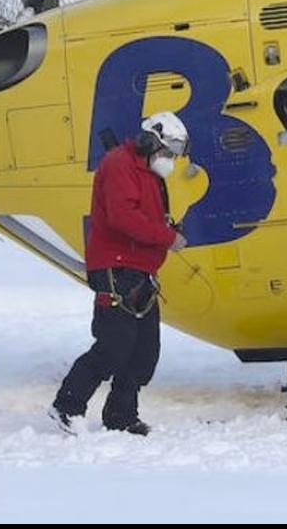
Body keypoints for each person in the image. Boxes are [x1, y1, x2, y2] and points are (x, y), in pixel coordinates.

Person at [50, 112, 189, 436]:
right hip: (115, 267)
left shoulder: (149, 174)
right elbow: (123, 217)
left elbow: (144, 216)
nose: (170, 161)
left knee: (144, 351)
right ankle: (67, 405)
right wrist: (167, 237)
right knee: (114, 344)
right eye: (167, 153)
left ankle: (121, 414)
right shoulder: (119, 165)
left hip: (141, 269)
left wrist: (165, 229)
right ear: (150, 142)